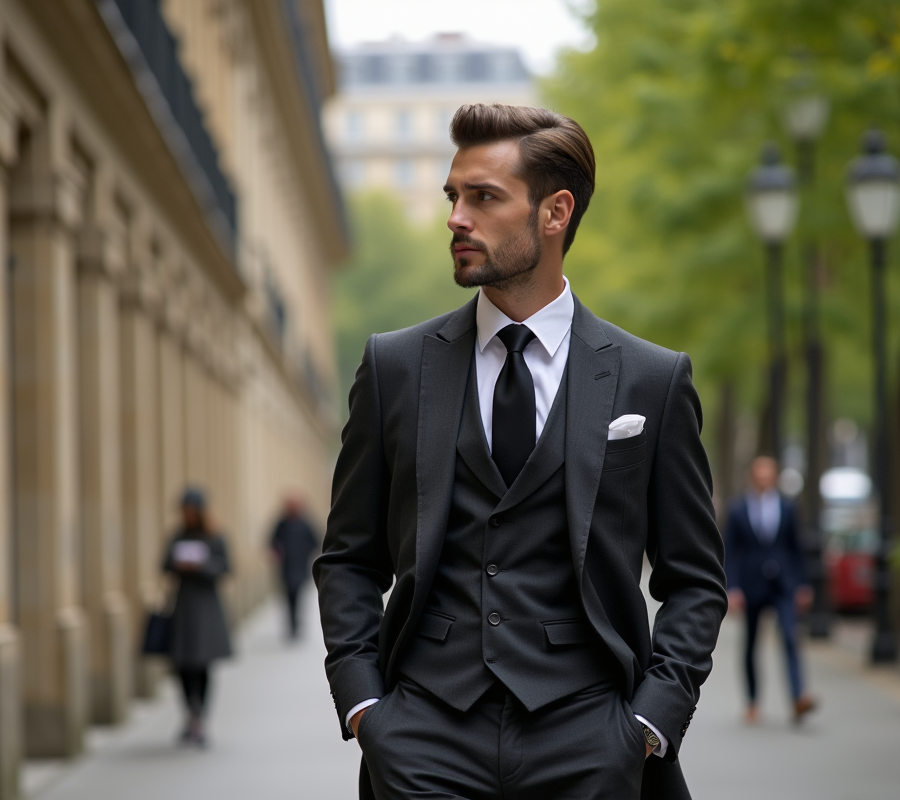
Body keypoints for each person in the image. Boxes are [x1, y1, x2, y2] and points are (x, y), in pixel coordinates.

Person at [315, 104, 727, 800]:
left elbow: (694, 578)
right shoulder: (395, 367)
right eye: (453, 196)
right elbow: (349, 559)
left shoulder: (651, 380)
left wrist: (648, 723)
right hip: (424, 739)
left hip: (591, 740)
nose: (456, 218)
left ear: (555, 212)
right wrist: (366, 708)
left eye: (483, 197)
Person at [723, 456, 818, 725]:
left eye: (768, 475)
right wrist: (732, 588)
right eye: (759, 475)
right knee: (751, 643)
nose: (764, 480)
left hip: (783, 584)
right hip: (751, 586)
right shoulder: (738, 509)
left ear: (774, 477)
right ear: (752, 477)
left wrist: (803, 585)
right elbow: (730, 551)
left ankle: (798, 698)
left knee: (790, 637)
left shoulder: (788, 507)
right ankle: (753, 701)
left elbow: (796, 548)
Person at [162, 487, 233, 746]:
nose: (188, 515)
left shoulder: (215, 536)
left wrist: (201, 566)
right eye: (185, 511)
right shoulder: (178, 535)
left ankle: (200, 718)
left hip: (206, 609)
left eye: (192, 511)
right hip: (183, 608)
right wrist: (177, 563)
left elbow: (226, 567)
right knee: (182, 665)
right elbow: (163, 565)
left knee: (202, 665)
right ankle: (189, 716)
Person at [269, 495, 320, 639]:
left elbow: (315, 542)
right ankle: (292, 625)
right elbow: (273, 541)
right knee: (288, 597)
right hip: (286, 567)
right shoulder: (281, 524)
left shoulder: (305, 524)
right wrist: (277, 553)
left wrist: (308, 553)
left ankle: (297, 623)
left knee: (299, 595)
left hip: (301, 566)